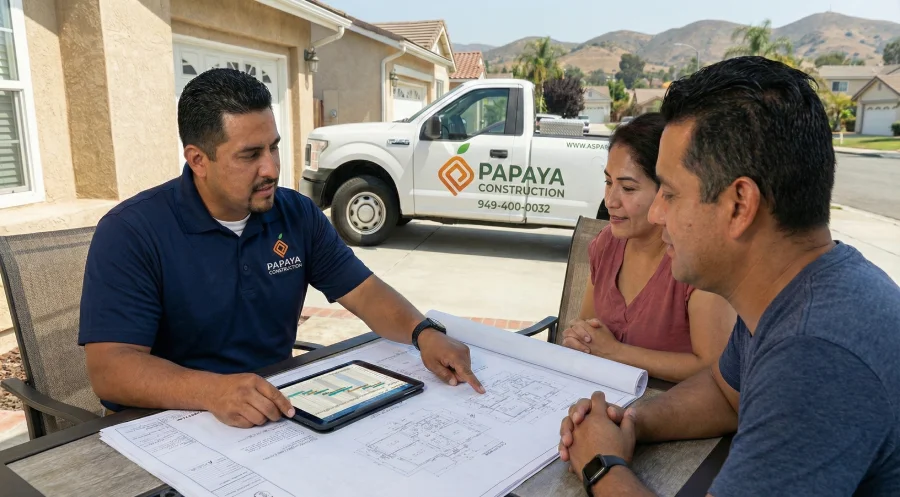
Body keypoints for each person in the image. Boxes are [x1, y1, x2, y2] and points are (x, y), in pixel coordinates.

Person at [559, 56, 900, 496]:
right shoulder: (802, 290)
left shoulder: (814, 353)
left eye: (671, 193)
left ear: (739, 205)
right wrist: (630, 423)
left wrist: (601, 467)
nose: (658, 214)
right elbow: (725, 394)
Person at [78, 68, 484, 428]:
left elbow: (364, 292)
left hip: (276, 413)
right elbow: (111, 369)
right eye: (250, 155)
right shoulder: (132, 232)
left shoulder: (296, 214)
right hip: (164, 424)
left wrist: (423, 333)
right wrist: (212, 391)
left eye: (273, 147)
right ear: (198, 160)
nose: (271, 168)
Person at [561, 113, 736, 382]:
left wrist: (616, 352)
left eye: (628, 188)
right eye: (608, 183)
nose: (610, 201)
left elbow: (714, 367)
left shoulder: (695, 260)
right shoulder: (607, 244)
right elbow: (587, 326)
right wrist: (580, 337)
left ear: (666, 192)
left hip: (673, 412)